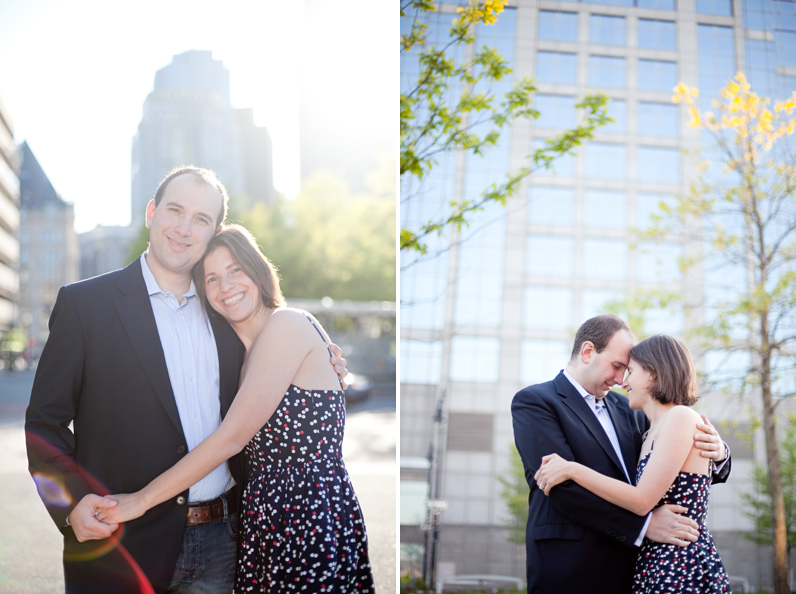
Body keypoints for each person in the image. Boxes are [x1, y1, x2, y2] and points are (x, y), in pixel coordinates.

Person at [25, 166, 348, 594]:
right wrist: (69, 504)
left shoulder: (229, 313)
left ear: (214, 230)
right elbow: (44, 424)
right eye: (175, 210)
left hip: (226, 541)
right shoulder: (86, 305)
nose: (184, 228)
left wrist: (329, 368)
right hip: (122, 545)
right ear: (151, 213)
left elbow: (279, 379)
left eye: (201, 219)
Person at [97, 224, 375, 593]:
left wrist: (140, 500)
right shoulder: (241, 357)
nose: (225, 286)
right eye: (211, 278)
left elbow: (230, 439)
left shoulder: (286, 324)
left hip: (308, 517)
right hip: (264, 524)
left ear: (257, 272)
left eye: (235, 270)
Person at [511, 315, 730, 594]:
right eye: (617, 366)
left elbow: (672, 465)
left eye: (628, 370)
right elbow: (561, 487)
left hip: (639, 569)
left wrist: (720, 452)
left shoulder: (631, 408)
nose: (620, 380)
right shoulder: (536, 402)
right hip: (572, 569)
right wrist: (644, 525)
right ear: (588, 352)